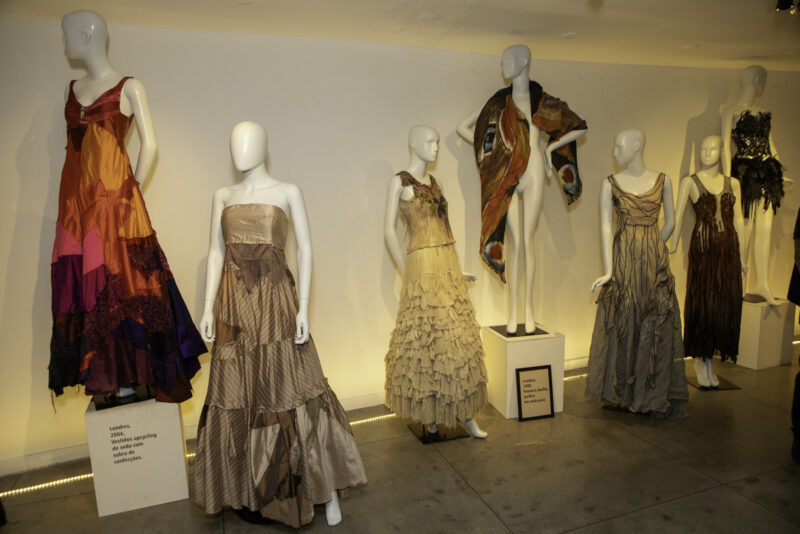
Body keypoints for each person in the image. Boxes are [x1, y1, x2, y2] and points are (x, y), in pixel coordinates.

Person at [194, 121, 366, 527]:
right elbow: (216, 253)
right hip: (235, 310)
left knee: (295, 392)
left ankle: (324, 489)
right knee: (238, 397)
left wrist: (303, 308)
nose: (240, 149)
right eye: (234, 142)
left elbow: (305, 249)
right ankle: (248, 491)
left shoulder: (288, 192)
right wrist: (206, 308)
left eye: (248, 141)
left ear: (264, 146)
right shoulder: (223, 196)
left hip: (276, 306)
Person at [49, 10, 205, 402]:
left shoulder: (129, 87)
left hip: (115, 207)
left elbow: (150, 146)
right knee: (87, 289)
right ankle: (106, 376)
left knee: (130, 285)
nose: (64, 42)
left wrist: (129, 193)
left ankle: (133, 374)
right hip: (75, 213)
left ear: (88, 35)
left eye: (68, 34)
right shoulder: (72, 89)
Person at [457, 44, 587, 335]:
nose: (503, 64)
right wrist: (494, 154)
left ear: (525, 60)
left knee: (528, 240)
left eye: (509, 59)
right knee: (514, 242)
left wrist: (549, 148)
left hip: (535, 171)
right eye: (502, 60)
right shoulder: (499, 102)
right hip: (508, 175)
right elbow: (463, 128)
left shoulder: (541, 100)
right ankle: (513, 311)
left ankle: (529, 310)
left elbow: (578, 126)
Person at [384, 125, 488, 438]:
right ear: (413, 144)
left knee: (455, 340)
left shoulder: (436, 183)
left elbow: (445, 228)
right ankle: (429, 414)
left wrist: (457, 269)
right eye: (430, 141)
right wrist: (406, 270)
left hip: (447, 264)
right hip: (421, 265)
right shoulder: (399, 182)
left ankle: (465, 414)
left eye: (438, 142)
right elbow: (388, 231)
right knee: (425, 342)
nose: (436, 147)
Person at [586, 129, 688, 418]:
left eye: (619, 146)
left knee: (654, 322)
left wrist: (653, 245)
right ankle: (625, 392)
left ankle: (649, 393)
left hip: (654, 265)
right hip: (625, 263)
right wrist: (609, 270)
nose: (614, 151)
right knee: (625, 321)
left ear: (636, 147)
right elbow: (606, 226)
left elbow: (672, 221)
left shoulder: (663, 180)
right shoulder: (610, 184)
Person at [669, 135, 745, 388]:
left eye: (712, 148)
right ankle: (701, 360)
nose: (707, 152)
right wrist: (672, 245)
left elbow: (739, 220)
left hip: (728, 253)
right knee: (704, 304)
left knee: (723, 304)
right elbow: (678, 215)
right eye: (703, 148)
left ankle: (711, 358)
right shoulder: (690, 182)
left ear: (722, 152)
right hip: (703, 253)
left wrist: (744, 257)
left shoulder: (733, 183)